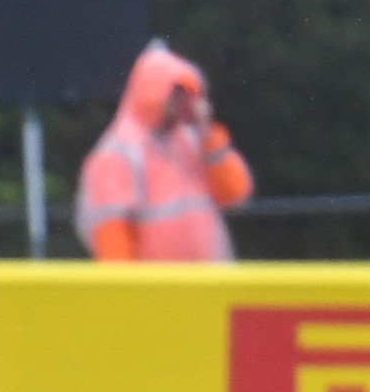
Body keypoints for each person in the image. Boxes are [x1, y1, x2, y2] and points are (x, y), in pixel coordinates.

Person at [77, 40, 253, 262]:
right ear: (153, 91)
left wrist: (209, 137)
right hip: (156, 293)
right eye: (178, 93)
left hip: (209, 288)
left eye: (190, 94)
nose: (186, 102)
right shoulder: (117, 153)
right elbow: (112, 240)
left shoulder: (192, 140)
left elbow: (235, 194)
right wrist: (127, 293)